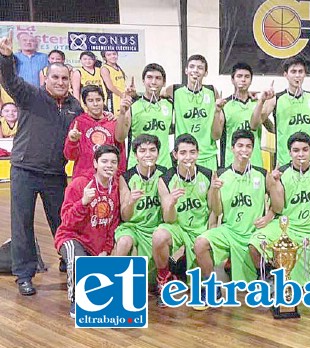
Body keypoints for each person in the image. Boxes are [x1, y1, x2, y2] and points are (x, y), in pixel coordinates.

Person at [0, 30, 83, 296]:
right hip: (24, 170)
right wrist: (5, 57)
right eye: (55, 77)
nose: (60, 82)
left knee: (63, 221)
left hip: (56, 173)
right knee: (22, 224)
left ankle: (66, 259)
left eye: (64, 78)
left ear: (70, 81)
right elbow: (10, 79)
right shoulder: (30, 95)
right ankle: (24, 274)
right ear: (45, 78)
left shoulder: (74, 107)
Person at [194, 130, 278, 310]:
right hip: (230, 230)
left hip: (254, 231)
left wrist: (269, 216)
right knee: (200, 243)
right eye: (240, 146)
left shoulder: (262, 174)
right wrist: (214, 191)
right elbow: (216, 210)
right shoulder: (221, 175)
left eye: (248, 146)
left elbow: (278, 204)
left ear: (253, 149)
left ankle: (266, 280)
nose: (244, 150)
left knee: (256, 246)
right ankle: (211, 287)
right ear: (232, 148)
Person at [249, 132, 310, 286]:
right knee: (254, 243)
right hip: (284, 226)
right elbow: (277, 207)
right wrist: (274, 184)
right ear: (290, 152)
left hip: (309, 230)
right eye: (296, 150)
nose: (301, 154)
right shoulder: (282, 172)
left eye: (305, 149)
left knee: (300, 285)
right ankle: (266, 276)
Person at [54, 145, 121, 318]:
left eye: (113, 162)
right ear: (95, 163)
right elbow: (66, 221)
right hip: (71, 236)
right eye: (104, 161)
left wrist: (106, 249)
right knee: (77, 258)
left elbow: (113, 224)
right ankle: (76, 299)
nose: (109, 165)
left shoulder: (116, 189)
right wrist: (83, 202)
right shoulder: (80, 184)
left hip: (96, 244)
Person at [152, 134, 212, 307]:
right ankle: (163, 278)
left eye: (192, 152)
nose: (188, 157)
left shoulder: (208, 175)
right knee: (159, 236)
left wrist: (210, 231)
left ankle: (207, 284)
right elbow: (168, 219)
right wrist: (170, 203)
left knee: (199, 277)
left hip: (200, 228)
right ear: (175, 155)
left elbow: (215, 210)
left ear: (198, 154)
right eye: (183, 153)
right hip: (178, 227)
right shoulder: (165, 179)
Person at [115, 134, 166, 282]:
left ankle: (161, 277)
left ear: (158, 153)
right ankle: (113, 283)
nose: (148, 154)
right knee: (124, 242)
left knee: (146, 282)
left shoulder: (165, 174)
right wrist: (130, 201)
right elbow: (125, 217)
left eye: (152, 150)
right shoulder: (126, 177)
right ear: (135, 155)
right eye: (142, 150)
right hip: (133, 226)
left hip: (155, 228)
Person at [252, 56, 310, 166]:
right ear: (286, 75)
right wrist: (262, 101)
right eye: (293, 72)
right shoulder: (276, 99)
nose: (297, 75)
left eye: (300, 72)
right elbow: (256, 123)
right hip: (284, 162)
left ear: (305, 74)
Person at [167, 54, 221, 171]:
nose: (195, 70)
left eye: (200, 68)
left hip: (208, 154)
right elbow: (155, 95)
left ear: (205, 73)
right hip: (184, 155)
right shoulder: (175, 90)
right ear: (186, 70)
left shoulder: (212, 91)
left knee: (211, 188)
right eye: (192, 67)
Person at [116, 63, 173, 169]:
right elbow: (119, 137)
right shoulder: (133, 106)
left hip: (164, 166)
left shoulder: (170, 105)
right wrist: (122, 113)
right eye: (149, 77)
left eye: (158, 78)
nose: (153, 82)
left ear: (164, 82)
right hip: (138, 168)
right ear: (143, 81)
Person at [64, 85, 126, 178]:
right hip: (83, 178)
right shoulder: (79, 123)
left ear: (103, 101)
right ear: (85, 103)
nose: (95, 104)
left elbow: (121, 151)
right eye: (90, 101)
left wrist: (119, 175)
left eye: (98, 100)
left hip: (108, 179)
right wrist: (72, 141)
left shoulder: (113, 122)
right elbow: (70, 156)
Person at [219, 62, 263, 168]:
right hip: (231, 163)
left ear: (251, 80)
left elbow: (270, 127)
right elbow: (216, 134)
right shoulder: (224, 105)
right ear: (232, 80)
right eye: (239, 76)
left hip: (255, 161)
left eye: (247, 77)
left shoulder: (257, 103)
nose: (243, 80)